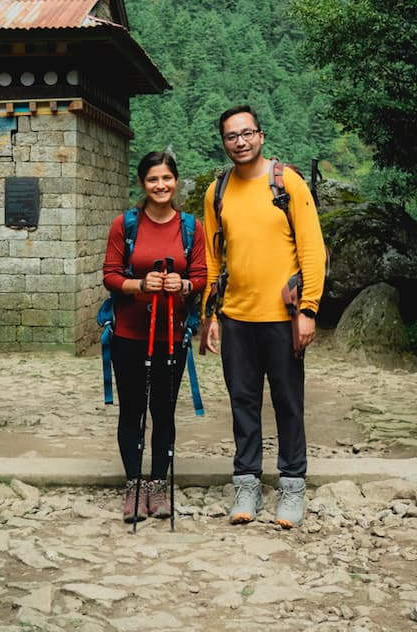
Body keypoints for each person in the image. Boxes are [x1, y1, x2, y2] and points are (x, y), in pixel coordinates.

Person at [203, 105, 326, 528]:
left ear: (261, 135)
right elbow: (212, 257)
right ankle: (247, 483)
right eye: (231, 136)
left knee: (289, 402)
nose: (240, 141)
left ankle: (292, 485)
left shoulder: (286, 182)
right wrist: (211, 315)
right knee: (243, 403)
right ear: (224, 142)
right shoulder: (217, 190)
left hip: (283, 317)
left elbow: (312, 250)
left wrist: (308, 310)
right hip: (236, 316)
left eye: (247, 133)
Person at [102, 151, 206, 523]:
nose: (160, 186)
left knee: (163, 412)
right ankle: (133, 486)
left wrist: (185, 284)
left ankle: (157, 486)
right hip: (129, 333)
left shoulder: (191, 227)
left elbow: (202, 274)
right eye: (152, 180)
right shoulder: (125, 225)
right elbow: (111, 274)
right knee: (133, 410)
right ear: (142, 184)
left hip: (172, 335)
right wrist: (140, 284)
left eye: (166, 178)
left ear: (175, 180)